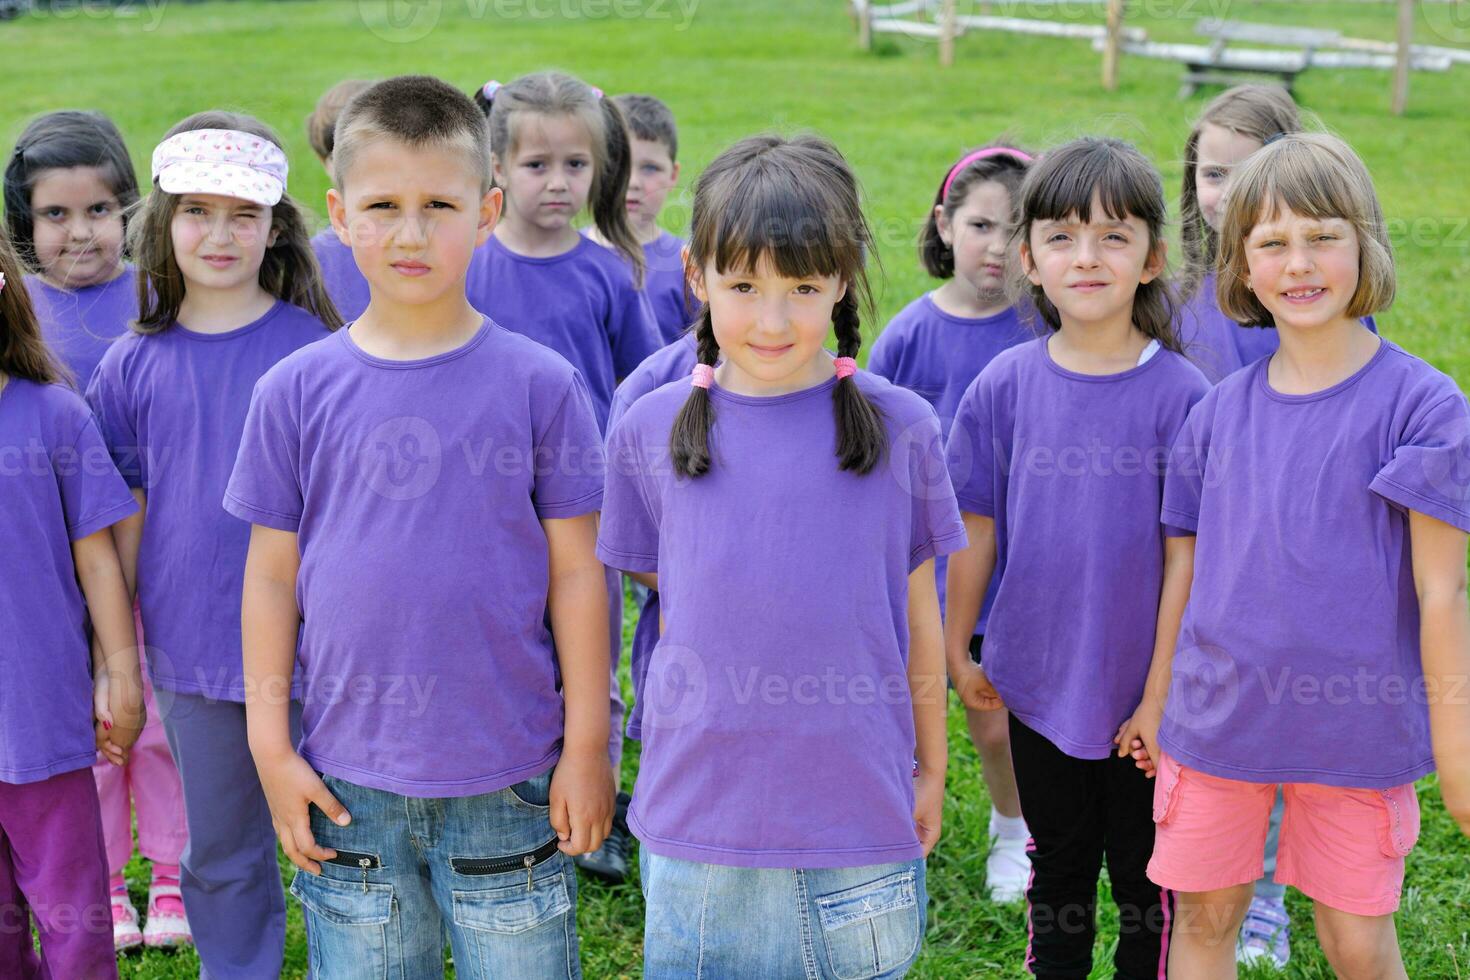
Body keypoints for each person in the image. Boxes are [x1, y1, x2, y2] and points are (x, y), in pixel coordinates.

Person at [226, 75, 613, 979]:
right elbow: (271, 579)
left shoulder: (539, 385)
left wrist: (589, 745)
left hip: (509, 774)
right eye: (383, 206)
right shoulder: (294, 391)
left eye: (437, 205)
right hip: (346, 780)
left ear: (485, 211)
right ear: (339, 214)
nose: (409, 233)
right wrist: (270, 748)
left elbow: (579, 576)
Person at [599, 134, 961, 979]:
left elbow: (917, 615)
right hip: (696, 836)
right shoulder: (647, 431)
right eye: (743, 286)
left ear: (842, 277)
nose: (773, 319)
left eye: (803, 288)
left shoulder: (903, 428)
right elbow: (660, 582)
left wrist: (932, 768)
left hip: (859, 826)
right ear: (696, 275)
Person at [86, 111, 340, 978]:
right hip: (192, 651)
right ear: (164, 221)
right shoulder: (130, 365)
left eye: (243, 214)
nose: (220, 234)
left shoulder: (321, 352)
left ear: (274, 228)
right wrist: (112, 650)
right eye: (198, 211)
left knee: (344, 839)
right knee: (222, 848)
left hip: (324, 651)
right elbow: (118, 519)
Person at [946, 137, 1208, 979]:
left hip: (1148, 704)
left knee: (1145, 890)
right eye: (1061, 236)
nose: (1086, 257)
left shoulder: (1184, 400)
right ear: (1028, 259)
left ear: (1153, 257)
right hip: (1037, 685)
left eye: (1113, 236)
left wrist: (1159, 698)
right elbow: (975, 529)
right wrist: (958, 646)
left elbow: (1187, 562)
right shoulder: (1005, 387)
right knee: (1057, 875)